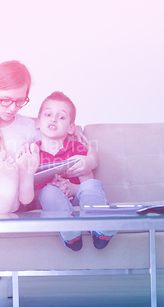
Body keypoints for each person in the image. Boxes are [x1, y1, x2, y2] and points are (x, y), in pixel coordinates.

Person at [0, 61, 98, 214]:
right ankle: (12, 189)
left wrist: (89, 159)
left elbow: (59, 132)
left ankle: (12, 197)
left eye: (20, 101)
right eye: (6, 100)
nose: (13, 108)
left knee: (10, 200)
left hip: (0, 201)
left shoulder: (30, 126)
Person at [23, 91, 117, 251]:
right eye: (48, 114)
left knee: (93, 185)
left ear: (71, 128)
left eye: (61, 117)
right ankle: (70, 229)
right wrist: (53, 188)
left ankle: (102, 226)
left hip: (74, 197)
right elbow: (28, 194)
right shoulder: (32, 152)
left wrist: (70, 188)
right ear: (38, 123)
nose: (53, 119)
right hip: (46, 199)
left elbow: (87, 183)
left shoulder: (77, 149)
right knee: (49, 192)